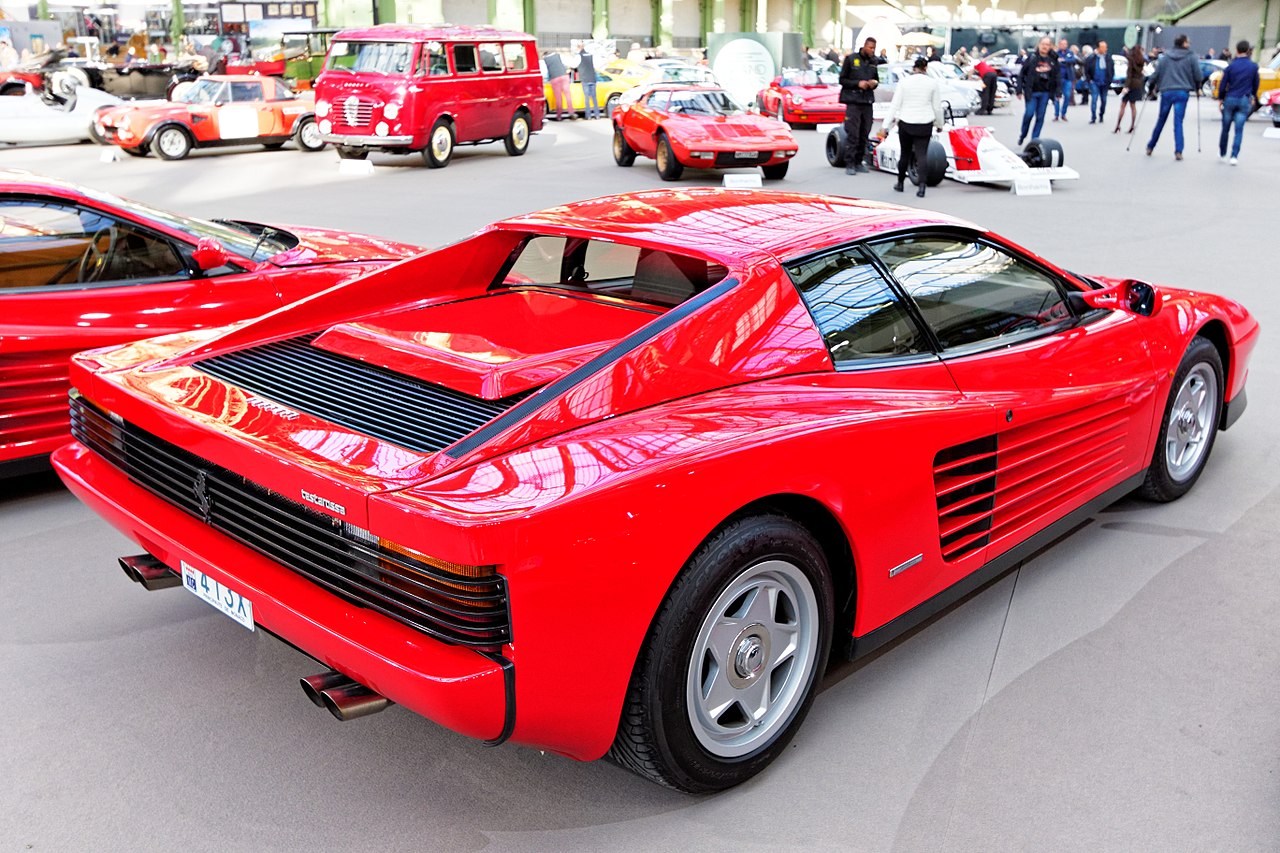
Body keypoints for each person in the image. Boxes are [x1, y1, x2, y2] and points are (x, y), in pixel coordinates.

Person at [883, 57, 944, 198]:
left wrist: (885, 126)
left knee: (905, 153)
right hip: (925, 123)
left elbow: (895, 105)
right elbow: (937, 107)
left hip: (906, 121)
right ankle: (922, 187)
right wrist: (939, 124)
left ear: (914, 68)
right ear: (926, 68)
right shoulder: (932, 83)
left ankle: (900, 183)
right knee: (921, 154)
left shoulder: (904, 82)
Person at [1145, 34, 1202, 160]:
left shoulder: (1166, 57)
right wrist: (1198, 88)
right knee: (1178, 122)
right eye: (1188, 42)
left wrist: (1151, 87)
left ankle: (1150, 146)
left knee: (1161, 120)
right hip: (1182, 92)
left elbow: (1156, 73)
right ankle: (1178, 151)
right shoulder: (1191, 57)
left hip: (1167, 91)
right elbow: (1198, 75)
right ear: (1184, 43)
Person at [839, 37, 880, 175]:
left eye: (874, 48)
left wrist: (874, 83)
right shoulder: (851, 59)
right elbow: (842, 79)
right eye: (870, 48)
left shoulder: (874, 61)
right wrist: (858, 83)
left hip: (867, 100)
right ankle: (850, 163)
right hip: (853, 100)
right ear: (864, 46)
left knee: (865, 132)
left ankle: (858, 161)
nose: (872, 51)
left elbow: (877, 79)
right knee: (853, 133)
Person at [1217, 40, 1260, 164]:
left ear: (1236, 50)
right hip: (1244, 99)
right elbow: (1256, 84)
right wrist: (1253, 97)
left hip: (1230, 98)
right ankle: (1234, 156)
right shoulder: (1253, 66)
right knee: (1239, 129)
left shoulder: (1230, 66)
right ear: (1248, 50)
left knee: (1225, 128)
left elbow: (1223, 84)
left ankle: (1222, 152)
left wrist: (1221, 98)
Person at [1018, 37, 1060, 145]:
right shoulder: (1032, 58)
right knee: (1029, 114)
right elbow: (1022, 74)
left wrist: (1058, 92)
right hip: (1032, 92)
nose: (1045, 46)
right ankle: (1023, 133)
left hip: (1045, 93)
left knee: (1040, 117)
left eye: (1047, 44)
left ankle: (1034, 140)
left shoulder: (1053, 60)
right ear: (1039, 45)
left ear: (1050, 46)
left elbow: (1057, 77)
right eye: (1043, 44)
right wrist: (1019, 90)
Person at [1114, 44, 1146, 133]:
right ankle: (1132, 125)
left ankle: (1118, 125)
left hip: (1130, 83)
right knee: (1133, 106)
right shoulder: (1142, 60)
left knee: (1123, 105)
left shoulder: (1130, 59)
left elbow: (1129, 75)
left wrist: (1125, 87)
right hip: (1138, 83)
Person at [1084, 40, 1114, 124]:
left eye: (1105, 47)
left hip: (1104, 82)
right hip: (1094, 82)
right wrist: (1089, 80)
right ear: (1098, 48)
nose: (1105, 49)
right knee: (1094, 99)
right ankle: (1093, 116)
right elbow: (1086, 69)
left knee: (1104, 100)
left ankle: (1101, 115)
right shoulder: (1091, 58)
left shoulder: (1108, 58)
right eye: (1103, 47)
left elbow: (1111, 69)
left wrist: (1110, 79)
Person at [543, 50, 571, 121]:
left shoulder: (545, 60)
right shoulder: (558, 55)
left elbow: (545, 72)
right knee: (567, 95)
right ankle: (571, 112)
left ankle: (559, 116)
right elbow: (566, 65)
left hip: (555, 78)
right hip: (564, 76)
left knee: (558, 97)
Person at [1054, 38, 1077, 120]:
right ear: (1059, 45)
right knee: (1056, 96)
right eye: (1062, 44)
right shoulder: (1056, 53)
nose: (1064, 45)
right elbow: (1054, 62)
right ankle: (1056, 114)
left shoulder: (1070, 53)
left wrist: (1063, 60)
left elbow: (1073, 60)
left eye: (1065, 44)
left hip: (1068, 78)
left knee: (1067, 96)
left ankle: (1063, 113)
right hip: (1058, 78)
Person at [577, 44, 600, 119]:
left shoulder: (579, 56)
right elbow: (596, 66)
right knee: (594, 98)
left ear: (579, 48)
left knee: (587, 98)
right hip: (592, 78)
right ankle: (597, 115)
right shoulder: (591, 55)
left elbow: (574, 65)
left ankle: (588, 115)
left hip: (585, 79)